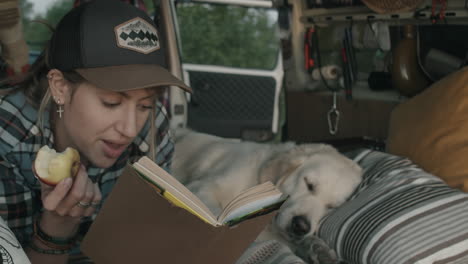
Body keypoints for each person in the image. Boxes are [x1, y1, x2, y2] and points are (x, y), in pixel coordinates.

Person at [0, 0, 191, 263]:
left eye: (145, 104)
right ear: (60, 87)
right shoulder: (7, 140)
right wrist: (57, 227)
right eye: (111, 103)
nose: (129, 129)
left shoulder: (152, 125)